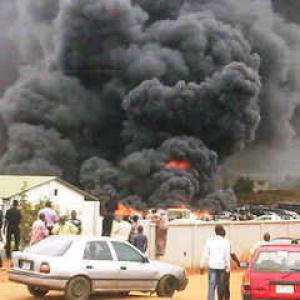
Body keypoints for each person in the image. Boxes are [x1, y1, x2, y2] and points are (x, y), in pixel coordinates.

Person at [200, 225, 230, 300]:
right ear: (222, 231)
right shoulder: (226, 242)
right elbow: (227, 256)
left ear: (215, 232)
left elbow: (205, 254)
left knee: (211, 286)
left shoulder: (209, 240)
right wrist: (228, 268)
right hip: (222, 267)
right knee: (221, 286)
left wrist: (201, 266)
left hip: (212, 266)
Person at [220, 227, 240, 300]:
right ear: (225, 234)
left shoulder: (214, 243)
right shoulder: (228, 242)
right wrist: (238, 262)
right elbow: (232, 254)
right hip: (225, 268)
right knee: (226, 285)